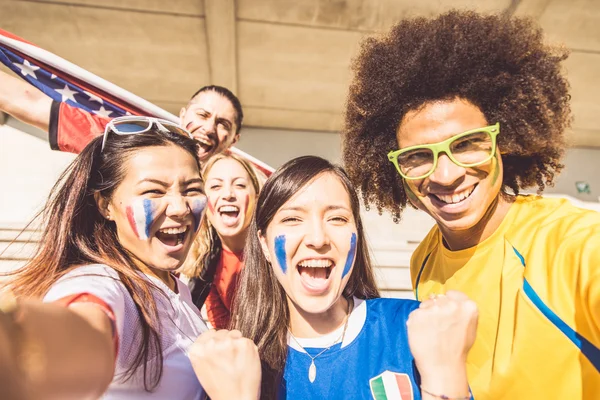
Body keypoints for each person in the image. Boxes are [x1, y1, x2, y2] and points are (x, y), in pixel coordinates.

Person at [342, 10, 600, 399]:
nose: (445, 175)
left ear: (504, 141)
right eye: (417, 156)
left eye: (466, 144)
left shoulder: (573, 243)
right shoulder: (424, 259)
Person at [191, 156, 478, 399]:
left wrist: (445, 375)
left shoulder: (412, 328)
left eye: (337, 218)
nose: (317, 238)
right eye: (292, 219)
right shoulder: (235, 365)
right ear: (264, 243)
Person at [1, 117, 211, 398]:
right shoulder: (103, 282)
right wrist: (17, 345)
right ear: (105, 205)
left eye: (192, 189)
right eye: (153, 191)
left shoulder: (175, 287)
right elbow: (81, 332)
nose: (180, 207)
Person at [0, 69, 243, 162]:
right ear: (183, 115)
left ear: (234, 140)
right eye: (202, 114)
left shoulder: (239, 195)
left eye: (223, 124)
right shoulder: (132, 142)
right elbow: (29, 102)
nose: (209, 128)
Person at [181, 153, 261, 328]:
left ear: (256, 196)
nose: (228, 194)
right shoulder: (205, 261)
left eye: (240, 185)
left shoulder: (273, 253)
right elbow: (223, 328)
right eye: (216, 186)